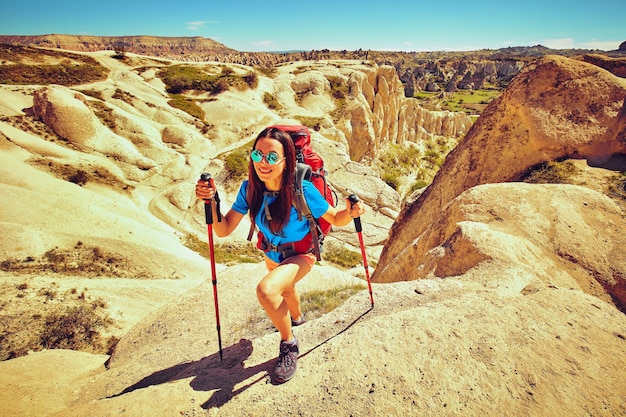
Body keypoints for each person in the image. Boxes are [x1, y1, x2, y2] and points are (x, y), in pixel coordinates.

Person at [195, 126, 365, 383]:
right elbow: (223, 229)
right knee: (285, 289)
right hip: (272, 254)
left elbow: (336, 219)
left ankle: (289, 343)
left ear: (286, 161)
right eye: (257, 155)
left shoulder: (303, 189)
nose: (263, 163)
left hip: (301, 254)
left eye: (272, 157)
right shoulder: (249, 188)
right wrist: (212, 202)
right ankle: (297, 319)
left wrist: (351, 212)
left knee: (267, 290)